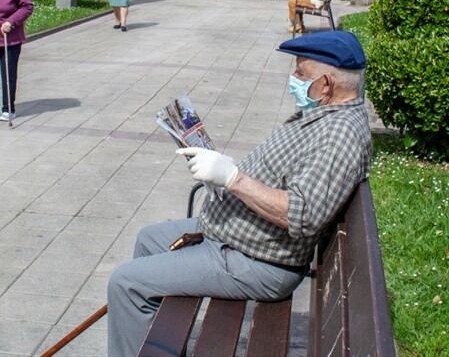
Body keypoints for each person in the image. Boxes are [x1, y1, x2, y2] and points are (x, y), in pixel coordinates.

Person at [107, 31, 372, 357]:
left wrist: (232, 177)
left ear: (326, 84)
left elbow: (301, 214)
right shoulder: (322, 115)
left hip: (256, 261)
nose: (293, 79)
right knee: (148, 238)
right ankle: (152, 347)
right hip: (235, 238)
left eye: (301, 73)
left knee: (125, 283)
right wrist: (221, 171)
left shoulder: (339, 134)